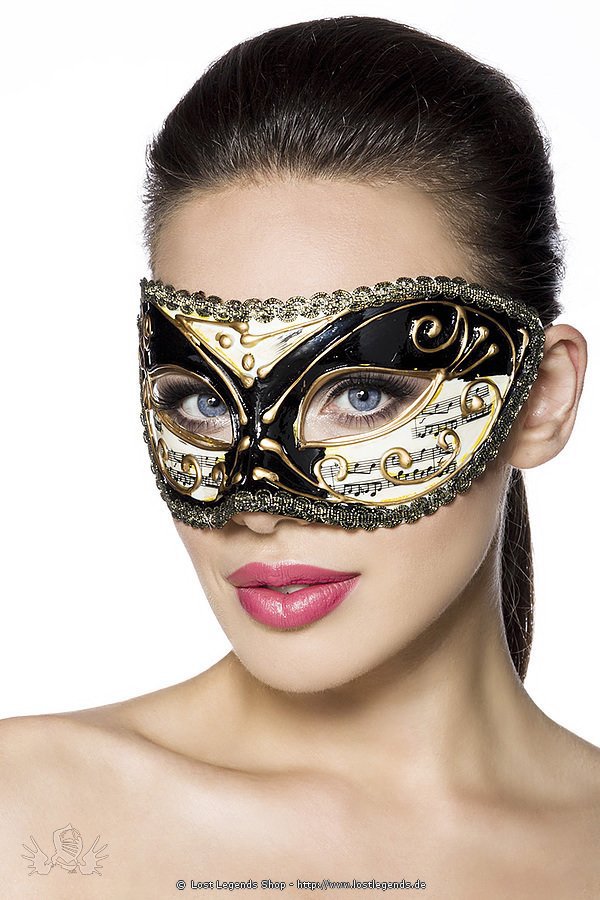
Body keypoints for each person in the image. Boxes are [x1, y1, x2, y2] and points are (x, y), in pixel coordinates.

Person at [1, 15, 598, 898]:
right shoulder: (27, 815)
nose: (254, 502)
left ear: (540, 398)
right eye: (203, 401)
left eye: (363, 394)